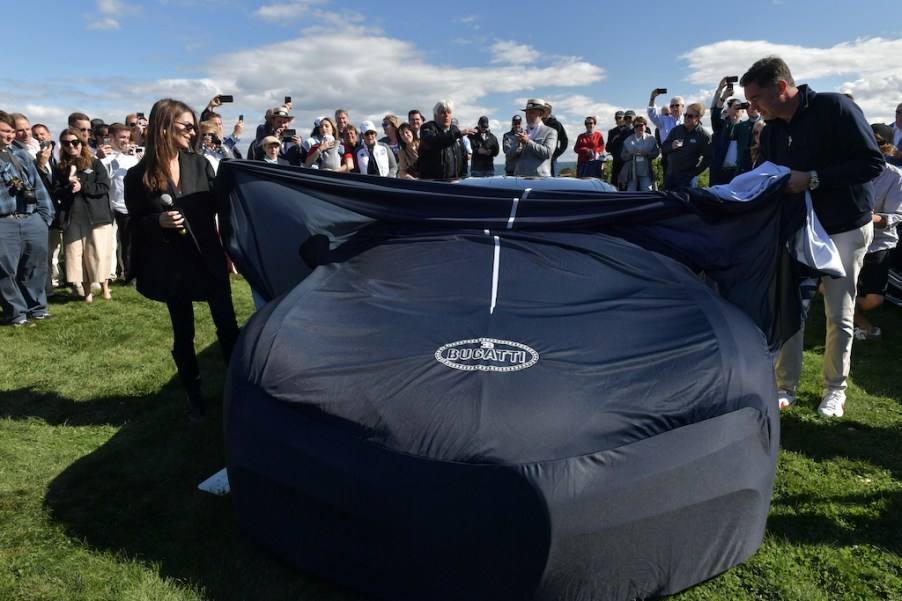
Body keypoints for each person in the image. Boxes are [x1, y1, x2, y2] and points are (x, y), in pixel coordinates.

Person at [741, 56, 885, 417]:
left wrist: (813, 178)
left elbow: (872, 162)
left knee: (839, 311)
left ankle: (835, 389)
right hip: (799, 227)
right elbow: (772, 177)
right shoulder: (772, 131)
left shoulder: (834, 108)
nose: (753, 108)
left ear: (780, 87)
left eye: (756, 98)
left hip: (845, 226)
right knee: (789, 306)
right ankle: (784, 385)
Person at [124, 98, 239, 422]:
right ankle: (194, 395)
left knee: (228, 327)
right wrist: (156, 222)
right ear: (164, 128)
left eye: (194, 127)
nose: (193, 132)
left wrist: (230, 248)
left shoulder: (200, 164)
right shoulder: (138, 175)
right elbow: (133, 225)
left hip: (209, 258)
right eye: (186, 126)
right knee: (183, 334)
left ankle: (239, 390)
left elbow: (222, 206)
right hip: (173, 266)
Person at [0, 110, 54, 327]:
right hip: (4, 221)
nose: (9, 135)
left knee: (35, 267)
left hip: (32, 219)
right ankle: (16, 315)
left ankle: (38, 309)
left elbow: (38, 187)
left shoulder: (21, 155)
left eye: (11, 131)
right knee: (6, 271)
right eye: (4, 131)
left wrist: (44, 217)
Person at [852, 124, 902, 341]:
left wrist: (870, 217)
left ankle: (842, 310)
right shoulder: (850, 170)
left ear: (887, 148)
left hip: (878, 242)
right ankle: (866, 327)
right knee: (829, 289)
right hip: (849, 238)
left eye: (876, 142)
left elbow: (895, 217)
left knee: (874, 300)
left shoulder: (895, 177)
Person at [54, 127, 113, 302]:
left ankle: (105, 288)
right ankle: (86, 293)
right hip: (73, 217)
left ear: (82, 143)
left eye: (75, 142)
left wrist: (83, 187)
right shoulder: (60, 167)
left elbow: (104, 186)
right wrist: (69, 188)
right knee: (76, 255)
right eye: (66, 143)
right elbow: (56, 190)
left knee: (98, 254)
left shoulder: (94, 163)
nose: (71, 146)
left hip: (96, 216)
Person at [100, 122, 140, 283]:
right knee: (110, 244)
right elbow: (105, 176)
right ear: (111, 138)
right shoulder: (104, 158)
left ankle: (132, 275)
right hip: (110, 207)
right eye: (122, 137)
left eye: (128, 138)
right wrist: (112, 156)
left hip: (129, 207)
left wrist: (140, 160)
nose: (125, 141)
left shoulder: (132, 158)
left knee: (130, 243)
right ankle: (109, 275)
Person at [660, 103, 712, 191]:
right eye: (685, 115)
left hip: (687, 179)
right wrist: (672, 146)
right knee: (665, 199)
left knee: (684, 200)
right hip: (671, 176)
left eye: (690, 116)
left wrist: (694, 173)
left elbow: (709, 158)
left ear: (698, 117)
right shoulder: (676, 130)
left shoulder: (703, 136)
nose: (686, 118)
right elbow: (664, 147)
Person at [417, 100, 474, 180]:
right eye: (443, 112)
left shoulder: (455, 130)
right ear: (435, 115)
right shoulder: (427, 128)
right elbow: (435, 141)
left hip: (454, 181)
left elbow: (463, 155)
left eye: (449, 112)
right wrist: (457, 134)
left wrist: (463, 176)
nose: (446, 115)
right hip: (432, 181)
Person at [506, 98, 558, 177]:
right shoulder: (521, 133)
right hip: (520, 178)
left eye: (531, 113)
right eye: (526, 113)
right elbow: (509, 157)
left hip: (540, 179)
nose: (528, 116)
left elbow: (548, 153)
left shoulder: (550, 132)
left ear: (541, 114)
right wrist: (518, 147)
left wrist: (528, 142)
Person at [619, 116, 660, 191]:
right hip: (632, 171)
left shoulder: (651, 139)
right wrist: (632, 155)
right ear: (634, 128)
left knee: (648, 190)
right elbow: (622, 156)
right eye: (636, 126)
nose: (638, 128)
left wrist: (647, 154)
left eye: (640, 125)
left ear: (645, 126)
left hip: (646, 170)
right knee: (631, 192)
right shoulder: (628, 140)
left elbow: (656, 152)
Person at [607, 110, 635, 189]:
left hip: (629, 161)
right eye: (616, 118)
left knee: (629, 184)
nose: (618, 120)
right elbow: (608, 148)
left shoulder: (632, 130)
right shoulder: (612, 132)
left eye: (620, 118)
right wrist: (613, 141)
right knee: (615, 184)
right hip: (617, 161)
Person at [543, 102, 568, 176]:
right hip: (539, 158)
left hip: (551, 159)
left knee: (551, 179)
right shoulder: (538, 124)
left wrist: (556, 154)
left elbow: (564, 140)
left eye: (547, 109)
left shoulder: (556, 124)